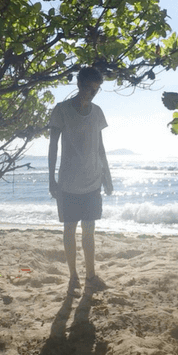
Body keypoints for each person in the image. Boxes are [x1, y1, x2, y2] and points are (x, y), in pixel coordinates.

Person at [48, 66, 113, 297]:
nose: (92, 93)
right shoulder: (62, 110)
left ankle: (91, 276)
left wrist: (107, 175)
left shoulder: (97, 112)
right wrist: (51, 179)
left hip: (93, 180)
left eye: (97, 89)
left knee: (89, 230)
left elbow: (100, 146)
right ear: (79, 85)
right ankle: (73, 276)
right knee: (69, 229)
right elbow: (53, 146)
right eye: (89, 88)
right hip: (67, 182)